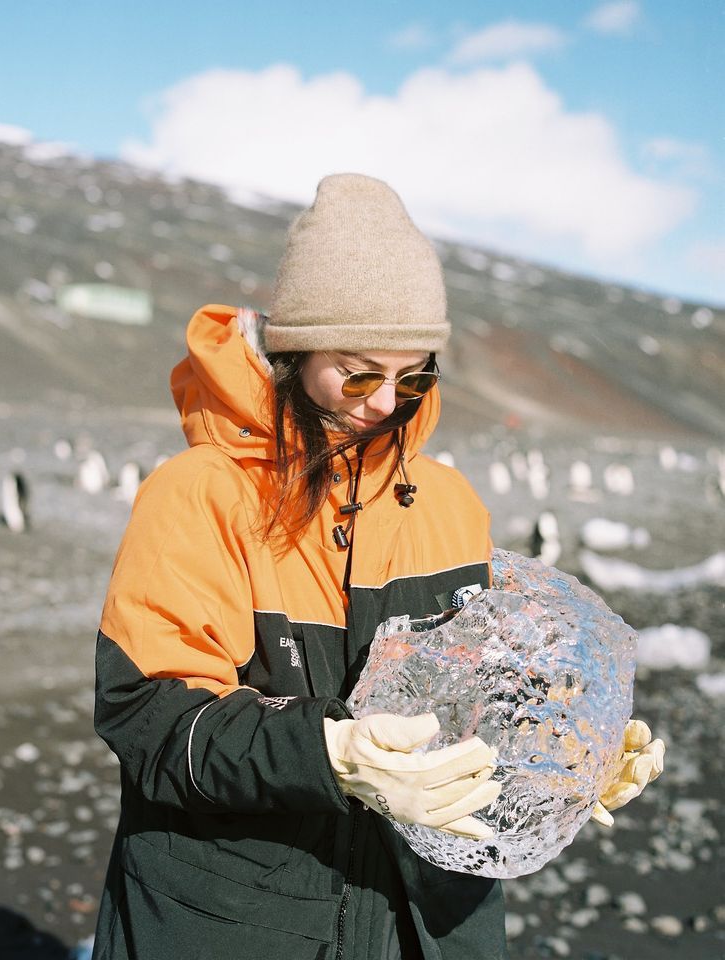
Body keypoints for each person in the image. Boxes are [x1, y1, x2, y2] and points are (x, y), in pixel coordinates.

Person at [91, 174, 664, 960]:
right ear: (295, 352)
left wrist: (565, 753)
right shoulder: (199, 494)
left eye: (414, 374)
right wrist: (332, 753)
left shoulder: (447, 502)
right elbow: (150, 720)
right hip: (242, 923)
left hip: (427, 926)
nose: (385, 402)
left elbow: (476, 689)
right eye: (358, 372)